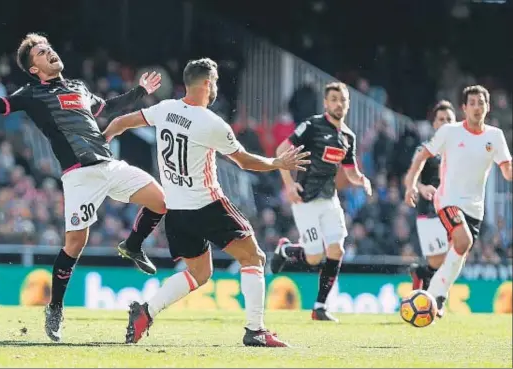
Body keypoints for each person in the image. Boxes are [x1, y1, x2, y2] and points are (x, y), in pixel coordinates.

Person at [0, 33, 167, 342]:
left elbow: (110, 106)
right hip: (79, 175)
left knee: (161, 201)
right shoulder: (32, 93)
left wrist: (140, 90)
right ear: (33, 68)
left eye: (48, 47)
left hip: (108, 163)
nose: (49, 52)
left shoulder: (78, 87)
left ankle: (132, 245)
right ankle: (56, 308)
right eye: (40, 52)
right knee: (75, 243)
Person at [103, 57, 310, 347]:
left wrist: (103, 141)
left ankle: (146, 312)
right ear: (205, 83)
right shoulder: (212, 123)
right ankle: (255, 330)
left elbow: (120, 122)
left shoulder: (165, 109)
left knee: (200, 274)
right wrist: (277, 162)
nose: (215, 88)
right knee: (254, 258)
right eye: (214, 82)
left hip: (176, 212)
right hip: (207, 205)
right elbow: (245, 161)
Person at [404, 85, 512, 317]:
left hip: (475, 208)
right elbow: (423, 154)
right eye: (472, 103)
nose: (477, 107)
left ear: (488, 107)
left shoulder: (495, 136)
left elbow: (506, 170)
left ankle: (438, 296)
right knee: (461, 241)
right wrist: (411, 183)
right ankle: (433, 294)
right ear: (464, 108)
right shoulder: (450, 132)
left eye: (481, 103)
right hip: (447, 200)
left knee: (459, 251)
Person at [270, 82, 372, 322]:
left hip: (330, 199)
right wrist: (288, 183)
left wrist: (363, 181)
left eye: (343, 100)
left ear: (347, 104)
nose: (339, 104)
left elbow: (350, 171)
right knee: (314, 257)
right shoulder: (312, 125)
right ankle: (285, 249)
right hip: (305, 197)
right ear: (326, 103)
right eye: (334, 99)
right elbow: (281, 149)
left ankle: (320, 307)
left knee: (337, 249)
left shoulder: (348, 136)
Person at [406, 101, 456, 291]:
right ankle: (428, 298)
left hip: (453, 210)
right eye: (441, 119)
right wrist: (421, 187)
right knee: (438, 261)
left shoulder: (459, 150)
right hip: (429, 211)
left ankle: (422, 282)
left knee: (451, 259)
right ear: (434, 124)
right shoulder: (424, 150)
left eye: (449, 119)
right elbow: (411, 178)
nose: (445, 123)